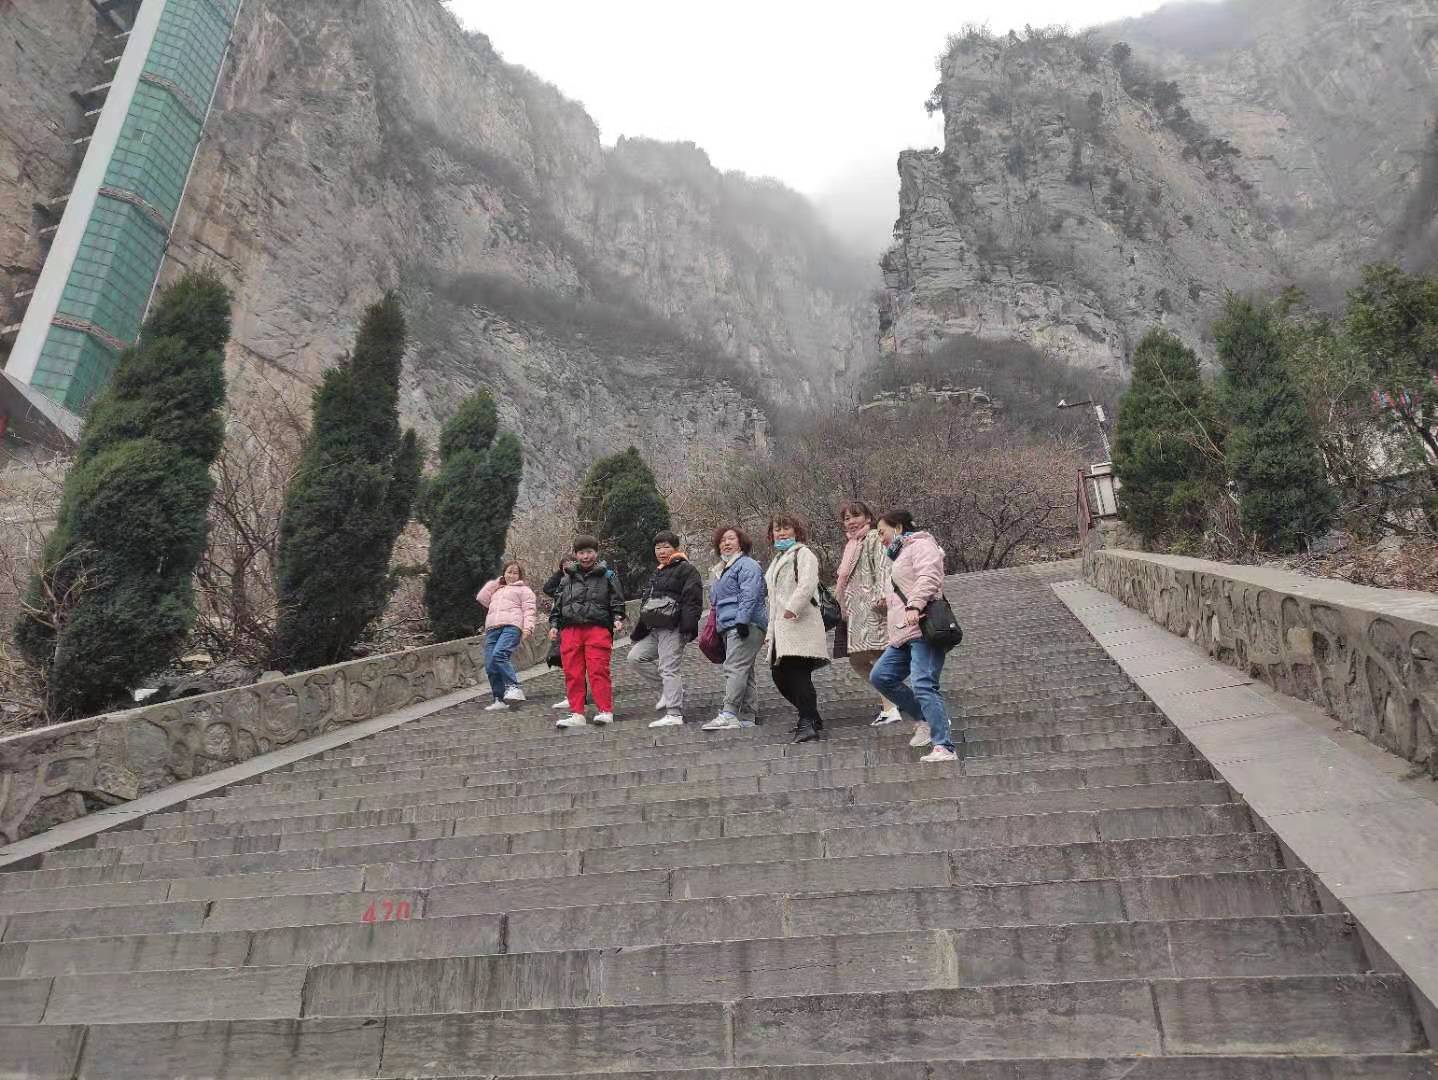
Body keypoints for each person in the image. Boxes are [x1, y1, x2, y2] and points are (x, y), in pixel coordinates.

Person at [868, 510, 961, 763]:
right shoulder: (899, 555)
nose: (881, 538)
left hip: (923, 628)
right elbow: (905, 588)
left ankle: (944, 746)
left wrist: (914, 605)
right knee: (881, 676)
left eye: (882, 532)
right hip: (903, 633)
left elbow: (929, 576)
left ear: (898, 527)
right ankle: (926, 719)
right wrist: (887, 601)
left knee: (923, 684)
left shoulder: (921, 544)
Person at [763, 513, 828, 743]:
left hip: (800, 623)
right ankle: (811, 716)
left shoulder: (803, 553)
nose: (781, 533)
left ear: (796, 531)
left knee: (798, 674)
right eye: (777, 529)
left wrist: (793, 608)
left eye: (786, 528)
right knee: (779, 674)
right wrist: (770, 632)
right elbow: (773, 600)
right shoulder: (777, 560)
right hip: (781, 628)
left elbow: (808, 583)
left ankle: (807, 722)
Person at [834, 499, 900, 726]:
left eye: (856, 516)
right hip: (855, 611)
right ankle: (896, 697)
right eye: (847, 518)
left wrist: (883, 594)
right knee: (857, 660)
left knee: (877, 656)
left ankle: (890, 707)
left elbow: (883, 565)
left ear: (868, 518)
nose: (851, 521)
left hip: (873, 607)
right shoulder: (852, 545)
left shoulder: (872, 538)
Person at [548, 536, 625, 729]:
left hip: (597, 627)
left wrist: (617, 617)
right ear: (576, 555)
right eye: (581, 553)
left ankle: (605, 711)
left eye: (589, 552)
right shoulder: (566, 578)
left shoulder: (608, 576)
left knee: (598, 670)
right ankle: (577, 713)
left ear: (596, 553)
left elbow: (617, 600)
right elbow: (558, 604)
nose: (585, 556)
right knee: (572, 672)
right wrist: (554, 625)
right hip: (570, 629)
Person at [629, 530, 704, 728]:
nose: (661, 551)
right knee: (635, 657)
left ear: (675, 548)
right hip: (655, 628)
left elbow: (693, 600)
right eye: (658, 547)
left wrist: (688, 627)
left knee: (668, 667)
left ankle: (674, 713)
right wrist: (639, 631)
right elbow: (647, 604)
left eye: (666, 547)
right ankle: (670, 691)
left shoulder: (686, 569)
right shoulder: (658, 571)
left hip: (674, 626)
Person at [702, 525, 768, 731]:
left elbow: (750, 593)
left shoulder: (747, 564)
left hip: (745, 624)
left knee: (734, 667)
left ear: (741, 542)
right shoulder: (722, 569)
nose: (726, 543)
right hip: (729, 625)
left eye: (731, 538)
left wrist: (741, 620)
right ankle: (748, 715)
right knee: (744, 670)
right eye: (722, 540)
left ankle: (729, 713)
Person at [475, 560, 537, 712]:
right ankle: (499, 698)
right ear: (504, 574)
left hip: (511, 627)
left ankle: (514, 687)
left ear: (520, 576)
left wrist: (528, 627)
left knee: (500, 654)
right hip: (492, 629)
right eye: (509, 572)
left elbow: (529, 610)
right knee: (490, 665)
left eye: (515, 573)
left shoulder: (524, 590)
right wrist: (496, 582)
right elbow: (481, 597)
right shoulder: (497, 590)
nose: (512, 575)